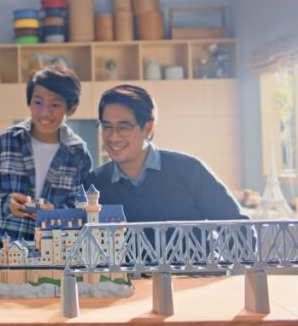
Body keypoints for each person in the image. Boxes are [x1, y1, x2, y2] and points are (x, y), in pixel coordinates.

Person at [0, 65, 93, 253]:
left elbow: (83, 207)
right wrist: (7, 203)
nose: (45, 112)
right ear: (29, 103)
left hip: (54, 254)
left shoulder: (78, 153)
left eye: (55, 105)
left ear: (72, 108)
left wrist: (55, 212)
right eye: (38, 102)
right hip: (1, 251)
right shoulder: (6, 141)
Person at [86, 84, 247, 222]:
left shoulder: (189, 170)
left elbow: (240, 231)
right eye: (107, 126)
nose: (113, 137)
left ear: (148, 128)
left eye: (124, 127)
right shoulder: (95, 184)